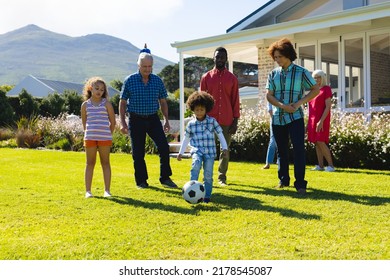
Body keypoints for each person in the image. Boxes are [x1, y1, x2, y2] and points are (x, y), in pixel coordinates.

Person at [266, 38, 319, 195]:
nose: (277, 60)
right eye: (275, 57)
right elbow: (269, 95)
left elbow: (315, 89)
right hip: (277, 118)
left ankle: (300, 184)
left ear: (288, 54)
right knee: (281, 150)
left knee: (298, 150)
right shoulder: (273, 74)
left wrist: (298, 104)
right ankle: (283, 180)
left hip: (295, 117)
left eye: (279, 57)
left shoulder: (301, 72)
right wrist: (282, 106)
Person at [119, 47, 177, 189]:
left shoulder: (157, 81)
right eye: (144, 66)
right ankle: (141, 181)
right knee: (138, 152)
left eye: (150, 66)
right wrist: (122, 122)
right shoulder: (130, 80)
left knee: (163, 147)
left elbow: (163, 101)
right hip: (136, 119)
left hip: (153, 119)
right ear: (138, 65)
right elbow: (122, 102)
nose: (147, 69)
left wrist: (166, 120)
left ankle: (165, 178)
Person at [177, 91, 228, 203]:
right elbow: (186, 138)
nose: (199, 112)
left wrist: (225, 148)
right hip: (197, 151)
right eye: (197, 110)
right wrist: (180, 152)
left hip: (209, 153)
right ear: (193, 109)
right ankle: (190, 189)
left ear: (206, 109)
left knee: (208, 175)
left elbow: (220, 134)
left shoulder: (212, 122)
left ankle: (207, 196)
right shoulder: (191, 124)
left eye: (201, 110)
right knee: (195, 166)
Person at [200, 47, 240, 186]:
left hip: (227, 120)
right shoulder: (206, 77)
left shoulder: (232, 79)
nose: (220, 59)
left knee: (225, 149)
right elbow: (201, 100)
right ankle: (207, 176)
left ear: (226, 58)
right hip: (209, 120)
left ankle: (222, 177)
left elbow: (236, 100)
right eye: (218, 57)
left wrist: (235, 121)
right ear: (214, 58)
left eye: (222, 57)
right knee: (208, 150)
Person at [81, 77, 116, 198]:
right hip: (90, 138)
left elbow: (113, 122)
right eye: (96, 88)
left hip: (104, 138)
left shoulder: (107, 104)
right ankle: (88, 191)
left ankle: (107, 190)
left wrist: (107, 134)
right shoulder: (85, 105)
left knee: (105, 163)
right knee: (89, 163)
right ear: (90, 89)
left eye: (102, 89)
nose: (99, 91)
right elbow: (84, 123)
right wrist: (89, 133)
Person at [308, 69, 335, 172]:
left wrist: (321, 121)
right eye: (315, 77)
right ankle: (320, 166)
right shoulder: (313, 90)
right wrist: (308, 124)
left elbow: (328, 107)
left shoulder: (326, 89)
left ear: (323, 78)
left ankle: (331, 166)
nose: (316, 79)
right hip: (312, 120)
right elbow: (311, 109)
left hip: (322, 119)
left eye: (319, 77)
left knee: (321, 141)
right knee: (316, 142)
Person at [263, 102, 278, 169]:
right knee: (273, 141)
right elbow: (270, 109)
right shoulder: (270, 97)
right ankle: (268, 163)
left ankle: (279, 161)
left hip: (282, 120)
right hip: (274, 120)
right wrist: (274, 119)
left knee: (282, 141)